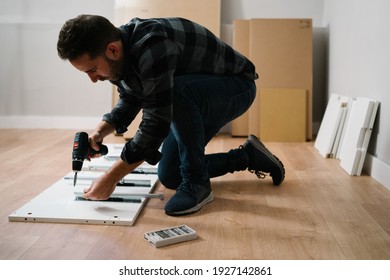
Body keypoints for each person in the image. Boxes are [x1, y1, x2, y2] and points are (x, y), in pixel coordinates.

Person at [57, 15, 285, 216]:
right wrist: (100, 131)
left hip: (237, 88)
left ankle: (198, 185)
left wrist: (112, 177)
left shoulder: (152, 46)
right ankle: (248, 156)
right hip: (194, 98)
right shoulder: (119, 56)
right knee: (171, 175)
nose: (93, 79)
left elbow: (156, 122)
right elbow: (130, 97)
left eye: (93, 70)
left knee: (175, 93)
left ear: (113, 50)